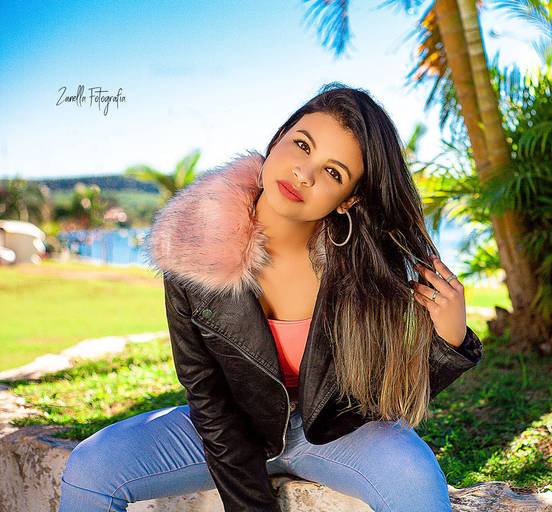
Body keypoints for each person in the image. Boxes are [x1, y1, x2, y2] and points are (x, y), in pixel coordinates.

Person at [58, 83, 484, 512]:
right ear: (277, 139)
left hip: (335, 434)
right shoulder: (192, 244)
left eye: (333, 173)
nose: (304, 174)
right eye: (302, 145)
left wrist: (450, 343)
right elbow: (207, 396)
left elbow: (388, 394)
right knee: (92, 468)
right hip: (231, 429)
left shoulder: (365, 265)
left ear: (348, 200)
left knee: (414, 476)